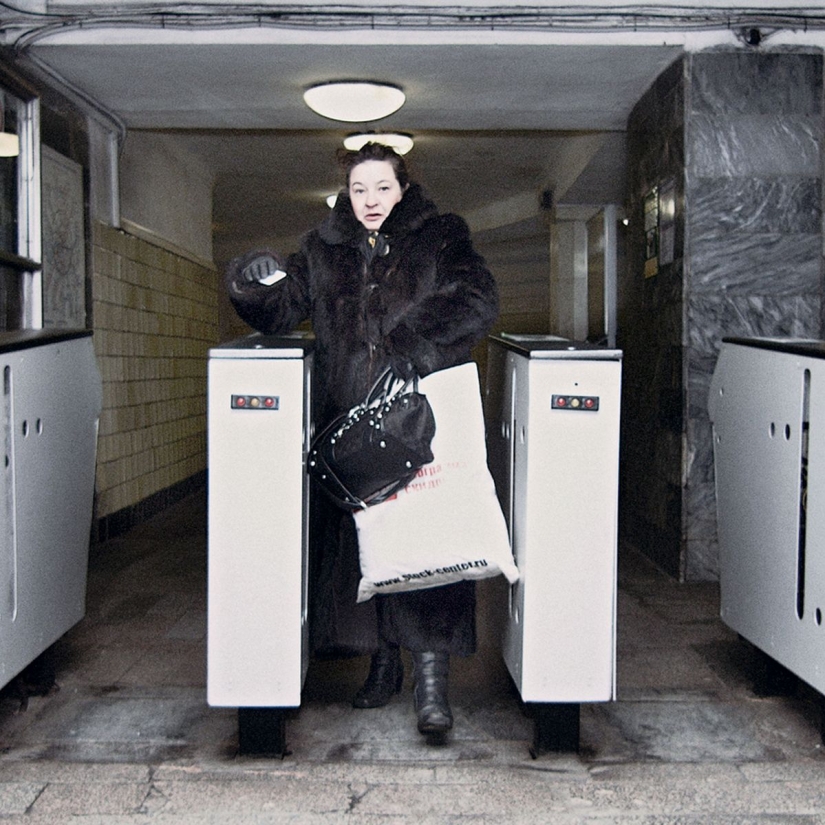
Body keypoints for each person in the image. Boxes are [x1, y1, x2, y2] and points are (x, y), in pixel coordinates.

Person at [224, 142, 499, 738]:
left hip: (418, 417)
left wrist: (412, 347)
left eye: (381, 187)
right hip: (349, 419)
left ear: (402, 188)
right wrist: (253, 283)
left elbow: (477, 299)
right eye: (359, 190)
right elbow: (282, 306)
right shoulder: (321, 250)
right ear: (346, 196)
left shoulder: (441, 235)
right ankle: (381, 665)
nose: (370, 200)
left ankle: (431, 685)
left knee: (429, 541)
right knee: (366, 544)